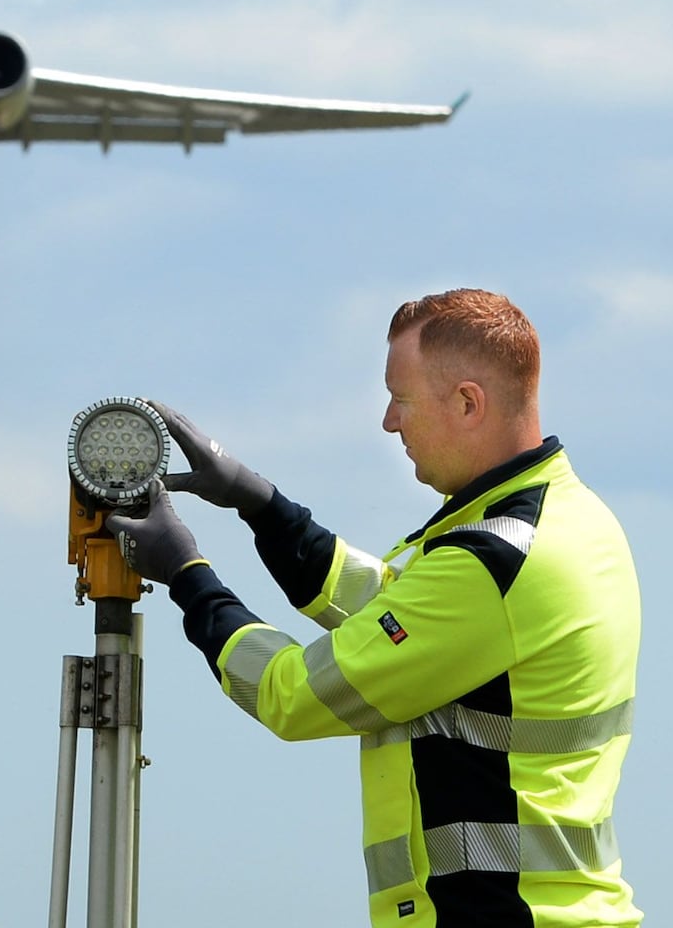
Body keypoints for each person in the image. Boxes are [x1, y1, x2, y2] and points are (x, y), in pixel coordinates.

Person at [107, 288, 643, 928]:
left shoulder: (493, 562)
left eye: (402, 399)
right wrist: (260, 505)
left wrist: (187, 576)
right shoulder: (566, 519)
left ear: (468, 402)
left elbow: (294, 694)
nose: (390, 421)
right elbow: (390, 605)